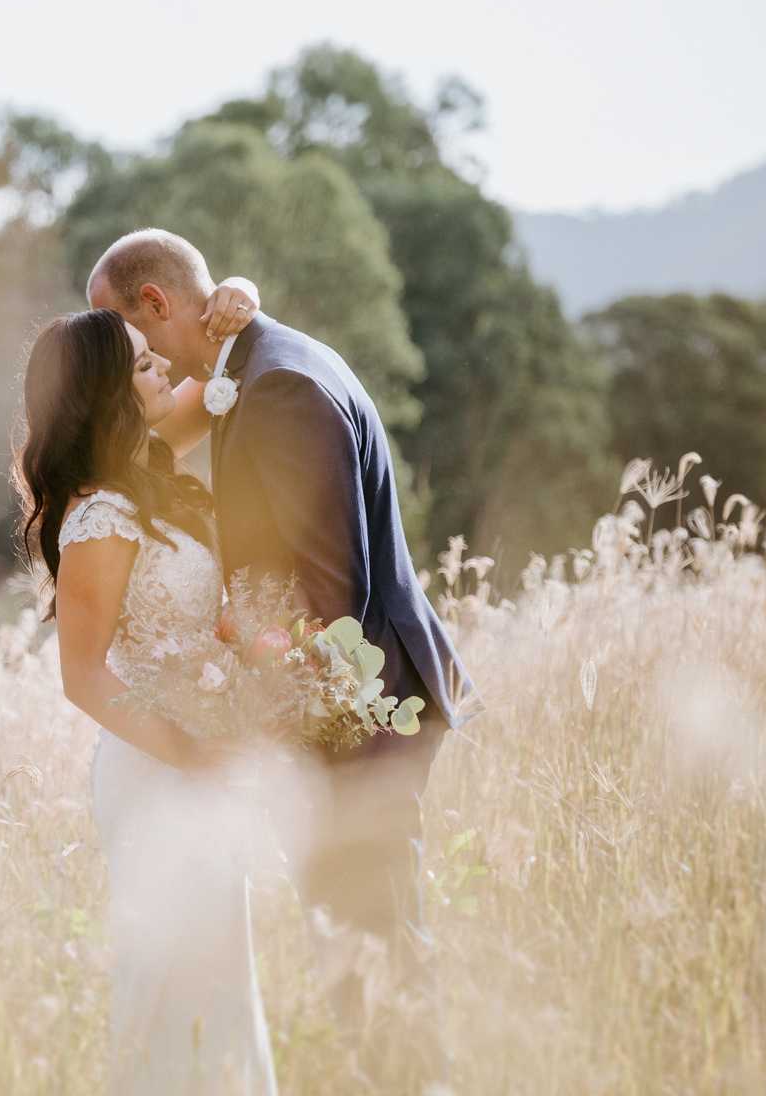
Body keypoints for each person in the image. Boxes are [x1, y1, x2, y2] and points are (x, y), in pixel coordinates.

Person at [86, 229, 483, 1096]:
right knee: (367, 959)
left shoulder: (274, 389)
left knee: (373, 959)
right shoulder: (253, 370)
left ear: (155, 308)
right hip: (327, 709)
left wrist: (249, 717)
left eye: (114, 328)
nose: (111, 353)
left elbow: (324, 609)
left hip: (354, 719)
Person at [14, 284, 277, 1095]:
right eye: (141, 361)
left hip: (201, 764)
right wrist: (190, 749)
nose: (161, 363)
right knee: (170, 983)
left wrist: (243, 298)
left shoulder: (148, 473)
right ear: (106, 395)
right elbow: (83, 676)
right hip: (157, 768)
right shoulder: (98, 517)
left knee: (220, 978)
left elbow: (226, 373)